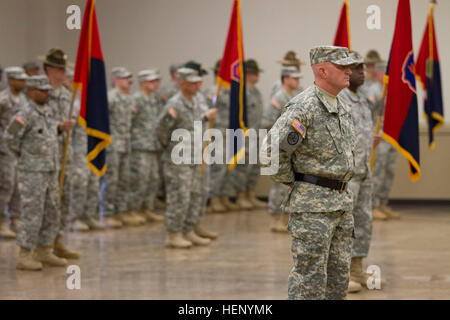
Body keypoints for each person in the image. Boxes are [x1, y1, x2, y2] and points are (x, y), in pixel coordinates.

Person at [261, 46, 357, 300]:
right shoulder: (304, 107)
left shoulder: (342, 106)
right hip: (313, 208)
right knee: (310, 282)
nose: (349, 70)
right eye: (342, 66)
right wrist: (295, 183)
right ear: (322, 70)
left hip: (342, 204)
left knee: (338, 281)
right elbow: (270, 152)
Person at [6, 75, 73, 270]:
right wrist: (26, 157)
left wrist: (60, 128)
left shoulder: (48, 111)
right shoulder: (24, 113)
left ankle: (44, 250)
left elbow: (49, 133)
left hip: (51, 169)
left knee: (52, 211)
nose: (47, 94)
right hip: (32, 172)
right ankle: (25, 254)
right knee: (32, 213)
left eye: (48, 91)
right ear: (31, 91)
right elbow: (10, 139)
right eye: (43, 91)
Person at [154, 67, 218, 248]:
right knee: (179, 196)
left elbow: (199, 122)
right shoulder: (175, 104)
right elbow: (161, 130)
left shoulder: (198, 100)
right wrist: (172, 148)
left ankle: (189, 229)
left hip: (197, 156)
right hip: (179, 159)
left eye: (198, 82)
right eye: (192, 83)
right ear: (182, 83)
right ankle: (173, 233)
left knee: (195, 194)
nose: (198, 85)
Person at [339, 51, 382, 293]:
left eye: (363, 70)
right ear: (346, 73)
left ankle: (356, 268)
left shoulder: (362, 98)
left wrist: (369, 140)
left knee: (363, 222)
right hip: (347, 174)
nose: (362, 74)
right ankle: (340, 274)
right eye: (357, 70)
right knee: (344, 225)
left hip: (364, 170)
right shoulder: (340, 99)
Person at [41, 48, 79, 259]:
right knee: (47, 202)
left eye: (65, 68)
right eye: (59, 68)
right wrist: (58, 127)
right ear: (49, 69)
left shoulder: (67, 95)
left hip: (65, 154)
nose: (64, 71)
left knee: (63, 199)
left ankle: (57, 240)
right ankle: (42, 246)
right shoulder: (39, 92)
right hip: (44, 156)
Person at [262, 66, 302, 233]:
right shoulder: (278, 97)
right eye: (294, 78)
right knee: (278, 184)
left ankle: (285, 217)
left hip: (290, 147)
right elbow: (266, 122)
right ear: (285, 79)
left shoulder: (295, 96)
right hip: (277, 146)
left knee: (288, 184)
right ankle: (276, 218)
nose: (297, 81)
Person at [361, 50, 400, 220]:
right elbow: (365, 114)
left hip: (388, 134)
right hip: (374, 135)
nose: (373, 68)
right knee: (375, 171)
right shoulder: (364, 87)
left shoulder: (383, 86)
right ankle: (372, 205)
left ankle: (382, 202)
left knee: (387, 171)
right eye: (370, 65)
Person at [104, 67, 144, 228]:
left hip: (126, 143)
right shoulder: (109, 98)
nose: (129, 82)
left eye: (129, 79)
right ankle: (107, 213)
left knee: (124, 180)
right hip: (112, 145)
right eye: (126, 78)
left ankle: (121, 211)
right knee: (111, 180)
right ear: (116, 80)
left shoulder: (128, 99)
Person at [128, 69, 165, 223]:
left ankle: (147, 208)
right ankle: (133, 209)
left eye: (156, 81)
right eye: (151, 81)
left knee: (153, 178)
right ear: (143, 83)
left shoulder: (156, 100)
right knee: (140, 179)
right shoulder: (135, 99)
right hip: (140, 145)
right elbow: (128, 122)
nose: (155, 84)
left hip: (154, 145)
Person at [231, 59, 267, 210]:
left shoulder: (256, 92)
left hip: (257, 134)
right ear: (248, 74)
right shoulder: (242, 92)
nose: (257, 76)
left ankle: (250, 194)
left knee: (254, 167)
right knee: (243, 166)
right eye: (255, 73)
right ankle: (240, 195)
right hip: (245, 135)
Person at [205, 60, 238, 213]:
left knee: (227, 168)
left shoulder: (232, 89)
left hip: (229, 132)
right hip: (217, 134)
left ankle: (223, 195)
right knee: (218, 167)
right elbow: (211, 108)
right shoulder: (214, 91)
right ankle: (213, 198)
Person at [0, 67, 28, 239]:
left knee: (19, 185)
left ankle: (16, 219)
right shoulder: (2, 100)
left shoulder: (24, 100)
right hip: (4, 150)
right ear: (10, 80)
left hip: (20, 150)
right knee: (6, 185)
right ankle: (2, 221)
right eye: (20, 79)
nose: (23, 83)